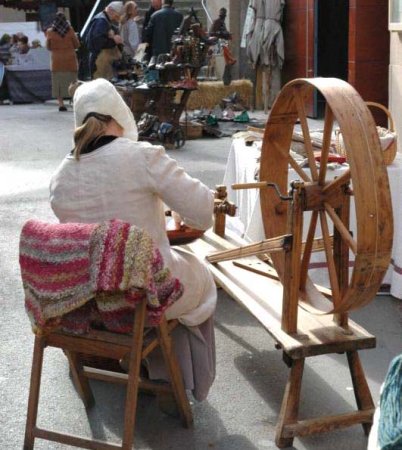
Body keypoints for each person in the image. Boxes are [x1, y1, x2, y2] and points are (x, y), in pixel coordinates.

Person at [49, 79, 216, 401]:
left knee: (151, 276)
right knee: (199, 275)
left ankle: (152, 369)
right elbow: (203, 212)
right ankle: (177, 380)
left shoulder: (60, 177)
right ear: (119, 114)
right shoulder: (141, 157)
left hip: (89, 300)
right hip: (142, 300)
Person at [46, 12, 80, 112]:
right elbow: (77, 44)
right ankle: (74, 102)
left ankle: (61, 104)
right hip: (70, 59)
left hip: (57, 60)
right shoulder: (70, 30)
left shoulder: (50, 31)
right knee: (72, 81)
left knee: (58, 83)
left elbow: (48, 46)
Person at [85, 1, 124, 79]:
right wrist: (114, 41)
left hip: (101, 62)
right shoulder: (101, 21)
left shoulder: (104, 20)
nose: (115, 18)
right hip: (98, 62)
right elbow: (98, 42)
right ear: (110, 10)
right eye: (116, 14)